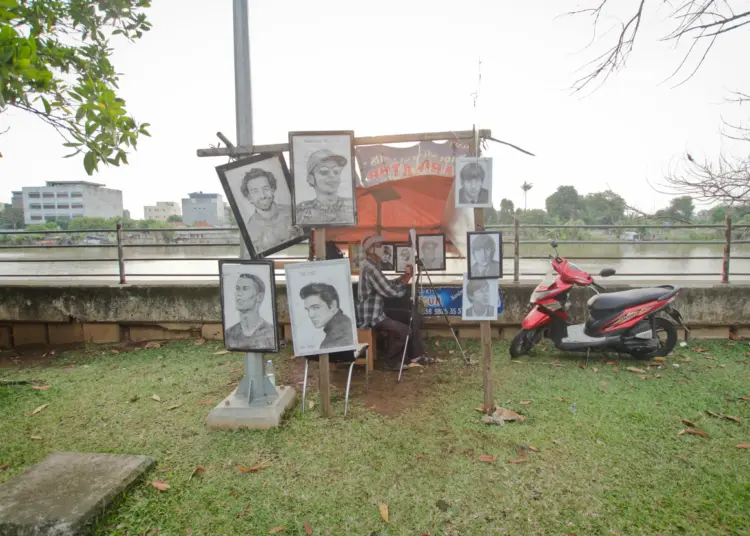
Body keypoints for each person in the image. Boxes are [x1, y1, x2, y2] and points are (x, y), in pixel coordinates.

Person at [356, 235, 433, 370]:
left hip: (378, 311)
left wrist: (404, 277)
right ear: (372, 249)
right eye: (380, 245)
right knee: (404, 331)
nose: (384, 248)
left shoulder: (371, 265)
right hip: (372, 316)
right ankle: (391, 362)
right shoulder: (370, 267)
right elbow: (389, 291)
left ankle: (416, 355)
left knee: (411, 316)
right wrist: (405, 281)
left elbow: (386, 284)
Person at [240, 167, 301, 253]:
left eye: (266, 189)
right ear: (249, 198)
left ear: (272, 190)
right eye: (255, 191)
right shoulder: (249, 229)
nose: (262, 196)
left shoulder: (295, 213)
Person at [296, 149, 354, 225]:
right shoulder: (301, 213)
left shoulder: (353, 205)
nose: (332, 175)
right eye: (324, 171)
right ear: (311, 178)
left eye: (336, 171)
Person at [224, 273, 276, 349]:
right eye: (237, 288)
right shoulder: (229, 333)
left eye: (245, 289)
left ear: (259, 297)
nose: (239, 294)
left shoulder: (270, 333)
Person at [299, 282, 354, 350]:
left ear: (333, 305)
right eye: (308, 310)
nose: (310, 315)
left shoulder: (334, 341)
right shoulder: (345, 322)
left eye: (316, 307)